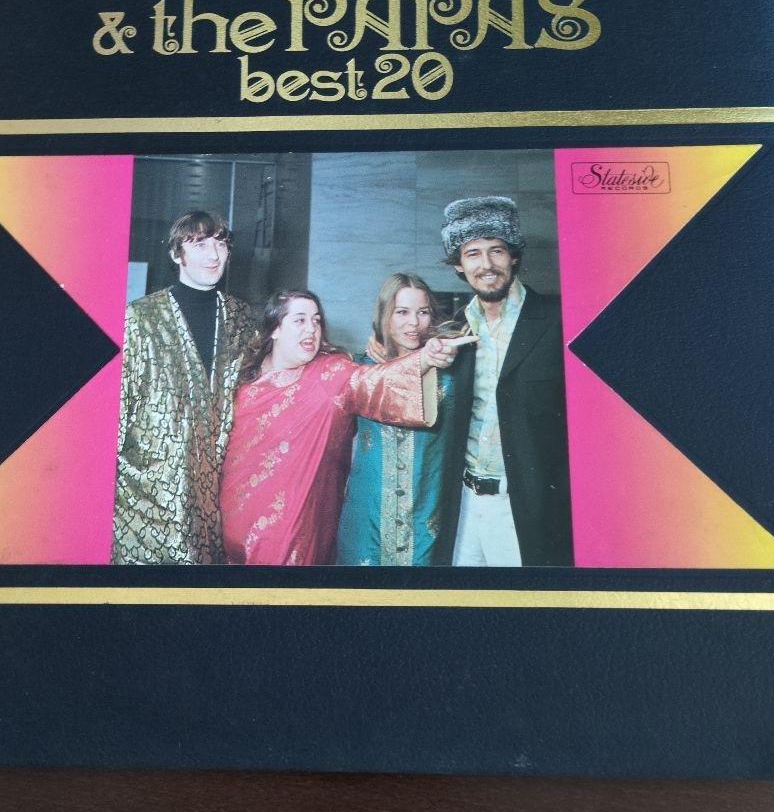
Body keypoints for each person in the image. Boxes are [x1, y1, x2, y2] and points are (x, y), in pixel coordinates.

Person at [219, 290, 470, 566]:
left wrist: (425, 359)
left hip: (293, 529)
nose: (311, 329)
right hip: (234, 527)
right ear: (275, 329)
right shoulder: (239, 382)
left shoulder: (330, 373)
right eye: (300, 320)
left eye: (316, 320)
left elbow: (373, 382)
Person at [113, 210, 256, 565]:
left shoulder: (240, 319)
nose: (213, 255)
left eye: (220, 244)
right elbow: (118, 407)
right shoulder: (140, 317)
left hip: (213, 497)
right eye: (200, 244)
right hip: (145, 497)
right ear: (177, 254)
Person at [441, 196, 573, 567]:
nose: (486, 265)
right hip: (464, 507)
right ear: (458, 265)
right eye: (473, 253)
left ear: (513, 256)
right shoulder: (453, 329)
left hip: (527, 509)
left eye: (496, 250)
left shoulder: (558, 319)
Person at [336, 273, 462, 566]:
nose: (413, 323)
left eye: (423, 312)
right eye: (402, 312)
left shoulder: (450, 374)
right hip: (366, 520)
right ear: (385, 315)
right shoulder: (360, 369)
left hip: (425, 520)